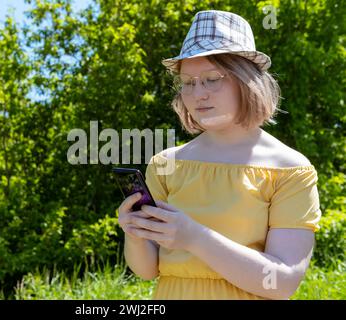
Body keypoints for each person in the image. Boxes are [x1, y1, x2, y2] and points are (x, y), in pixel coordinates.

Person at [117, 10, 322, 300]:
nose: (198, 94)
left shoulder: (290, 169)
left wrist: (194, 237)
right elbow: (148, 270)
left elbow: (282, 282)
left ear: (246, 81)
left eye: (212, 79)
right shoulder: (165, 165)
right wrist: (134, 234)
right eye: (188, 82)